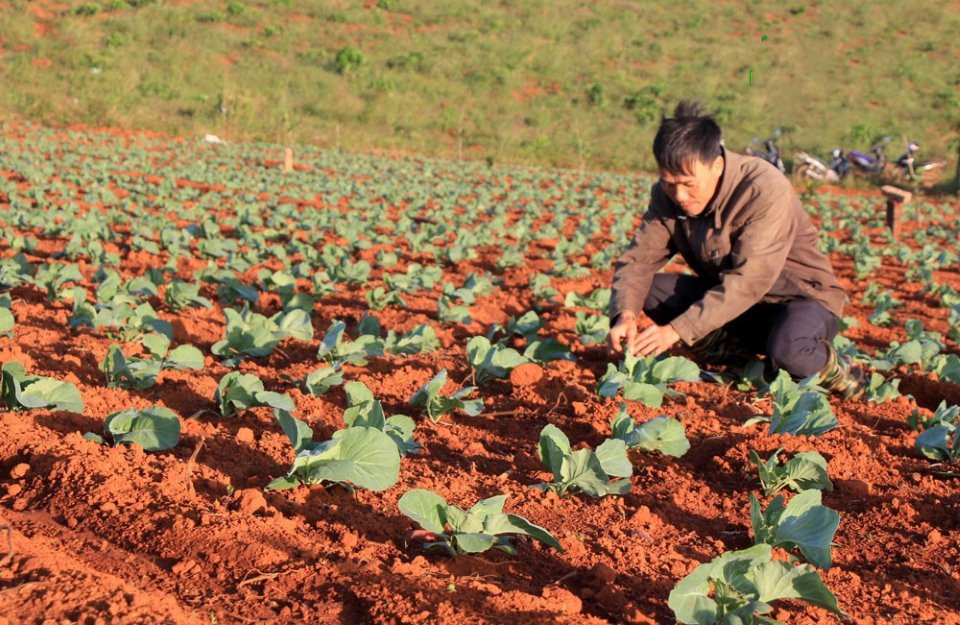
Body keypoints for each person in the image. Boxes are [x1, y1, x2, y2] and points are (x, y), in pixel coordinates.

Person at [607, 100, 866, 399]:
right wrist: (624, 314)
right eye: (669, 184)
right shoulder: (667, 197)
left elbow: (749, 280)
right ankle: (739, 364)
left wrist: (678, 330)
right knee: (649, 289)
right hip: (738, 307)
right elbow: (639, 260)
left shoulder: (762, 188)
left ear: (716, 165)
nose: (679, 195)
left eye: (690, 185)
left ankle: (846, 373)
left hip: (801, 301)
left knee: (787, 350)